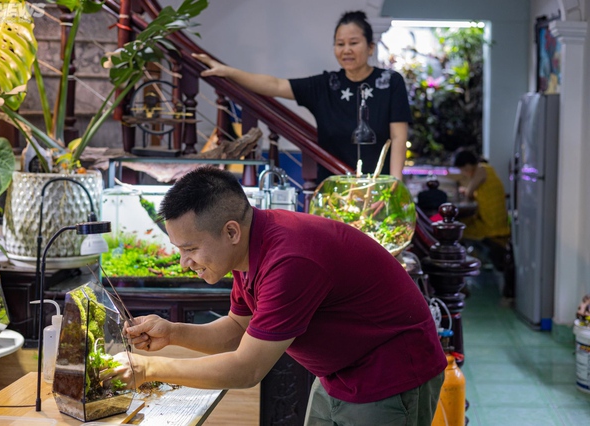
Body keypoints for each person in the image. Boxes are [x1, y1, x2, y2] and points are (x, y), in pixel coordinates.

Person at [113, 166, 446, 425]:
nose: (186, 263)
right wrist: (171, 332)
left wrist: (149, 369)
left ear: (231, 231)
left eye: (191, 249)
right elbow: (235, 331)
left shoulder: (289, 259)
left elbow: (247, 369)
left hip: (389, 375)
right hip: (338, 374)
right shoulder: (248, 250)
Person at [192, 10, 412, 183]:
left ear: (370, 47)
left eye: (353, 43)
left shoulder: (391, 82)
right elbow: (274, 84)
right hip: (334, 188)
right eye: (340, 44)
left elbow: (399, 137)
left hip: (379, 187)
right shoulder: (325, 85)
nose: (346, 50)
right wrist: (227, 71)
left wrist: (393, 185)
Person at [452, 148, 510, 241]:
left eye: (462, 170)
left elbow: (469, 192)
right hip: (498, 222)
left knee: (456, 228)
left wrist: (465, 191)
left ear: (467, 165)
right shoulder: (487, 168)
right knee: (462, 223)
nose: (463, 173)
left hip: (491, 225)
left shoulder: (480, 170)